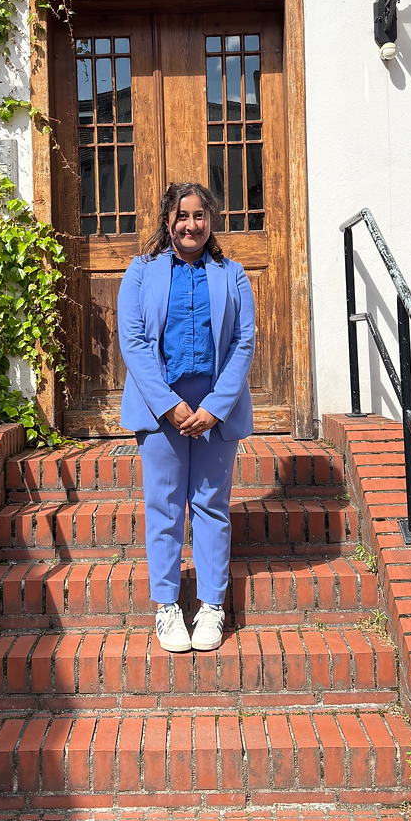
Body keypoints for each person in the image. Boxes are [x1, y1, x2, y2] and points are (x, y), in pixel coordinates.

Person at [117, 182, 256, 653]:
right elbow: (134, 342)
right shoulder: (140, 272)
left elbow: (242, 342)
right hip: (161, 409)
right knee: (164, 507)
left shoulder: (233, 275)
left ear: (210, 221)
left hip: (216, 408)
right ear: (167, 221)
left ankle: (212, 606)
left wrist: (215, 407)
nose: (191, 224)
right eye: (182, 215)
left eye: (199, 215)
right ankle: (167, 607)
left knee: (211, 505)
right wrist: (169, 404)